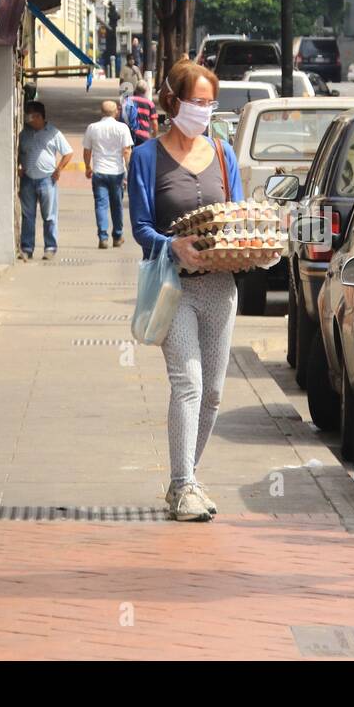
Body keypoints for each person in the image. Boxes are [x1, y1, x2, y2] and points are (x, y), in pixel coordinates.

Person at [129, 58, 244, 522]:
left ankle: (187, 480)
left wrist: (256, 243)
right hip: (174, 289)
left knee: (214, 392)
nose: (206, 110)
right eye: (198, 101)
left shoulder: (222, 153)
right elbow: (139, 228)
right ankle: (182, 486)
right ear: (173, 102)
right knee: (188, 383)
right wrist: (171, 246)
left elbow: (236, 215)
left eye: (210, 102)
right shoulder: (145, 157)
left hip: (220, 287)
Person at [17, 100, 73, 260]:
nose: (28, 120)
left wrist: (59, 169)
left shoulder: (53, 132)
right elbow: (19, 152)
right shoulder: (24, 134)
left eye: (31, 117)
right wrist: (19, 167)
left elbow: (68, 152)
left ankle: (50, 247)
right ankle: (27, 248)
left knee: (49, 216)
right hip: (28, 180)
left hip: (47, 180)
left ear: (39, 116)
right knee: (28, 216)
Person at [82, 100, 133, 248]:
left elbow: (87, 151)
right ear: (116, 111)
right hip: (117, 172)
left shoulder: (92, 128)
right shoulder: (122, 128)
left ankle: (103, 237)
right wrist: (129, 169)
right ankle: (117, 236)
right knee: (117, 205)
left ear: (101, 112)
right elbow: (126, 150)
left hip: (99, 171)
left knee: (100, 205)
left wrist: (87, 166)